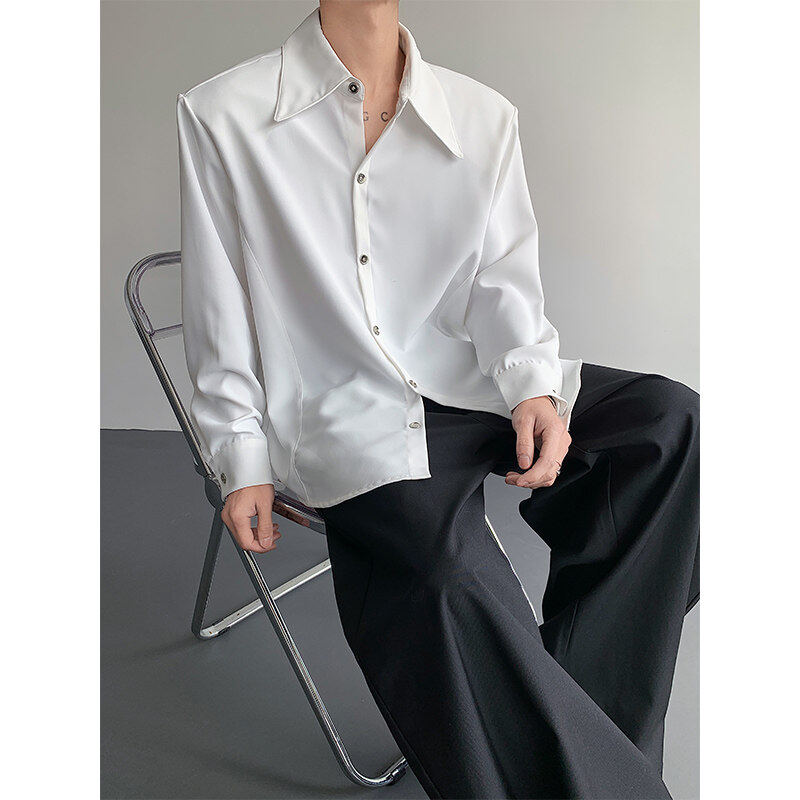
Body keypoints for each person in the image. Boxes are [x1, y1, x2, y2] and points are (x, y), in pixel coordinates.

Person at [176, 2, 699, 797]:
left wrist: (532, 389)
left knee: (668, 422)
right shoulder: (224, 113)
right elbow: (218, 309)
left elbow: (501, 284)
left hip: (466, 383)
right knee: (444, 570)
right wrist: (240, 458)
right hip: (342, 408)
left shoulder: (481, 116)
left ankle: (581, 724)